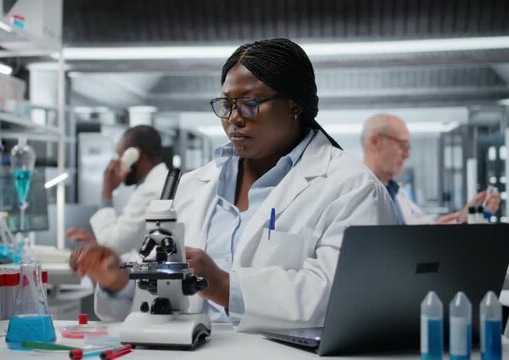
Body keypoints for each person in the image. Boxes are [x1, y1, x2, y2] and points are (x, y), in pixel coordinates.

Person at [70, 38, 396, 332]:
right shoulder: (193, 186)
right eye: (227, 103)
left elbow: (343, 298)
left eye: (250, 102)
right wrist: (120, 282)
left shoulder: (352, 188)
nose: (234, 118)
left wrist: (226, 286)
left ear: (295, 106)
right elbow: (164, 300)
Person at [361, 113, 500, 224]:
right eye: (403, 146)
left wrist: (471, 216)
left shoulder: (396, 194)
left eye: (408, 148)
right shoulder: (354, 194)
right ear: (375, 141)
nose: (407, 155)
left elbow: (425, 232)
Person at [67, 125, 169, 255]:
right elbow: (129, 239)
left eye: (120, 155)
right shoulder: (160, 182)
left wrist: (106, 192)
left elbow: (113, 245)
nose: (118, 162)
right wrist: (95, 239)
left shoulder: (149, 191)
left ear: (134, 155)